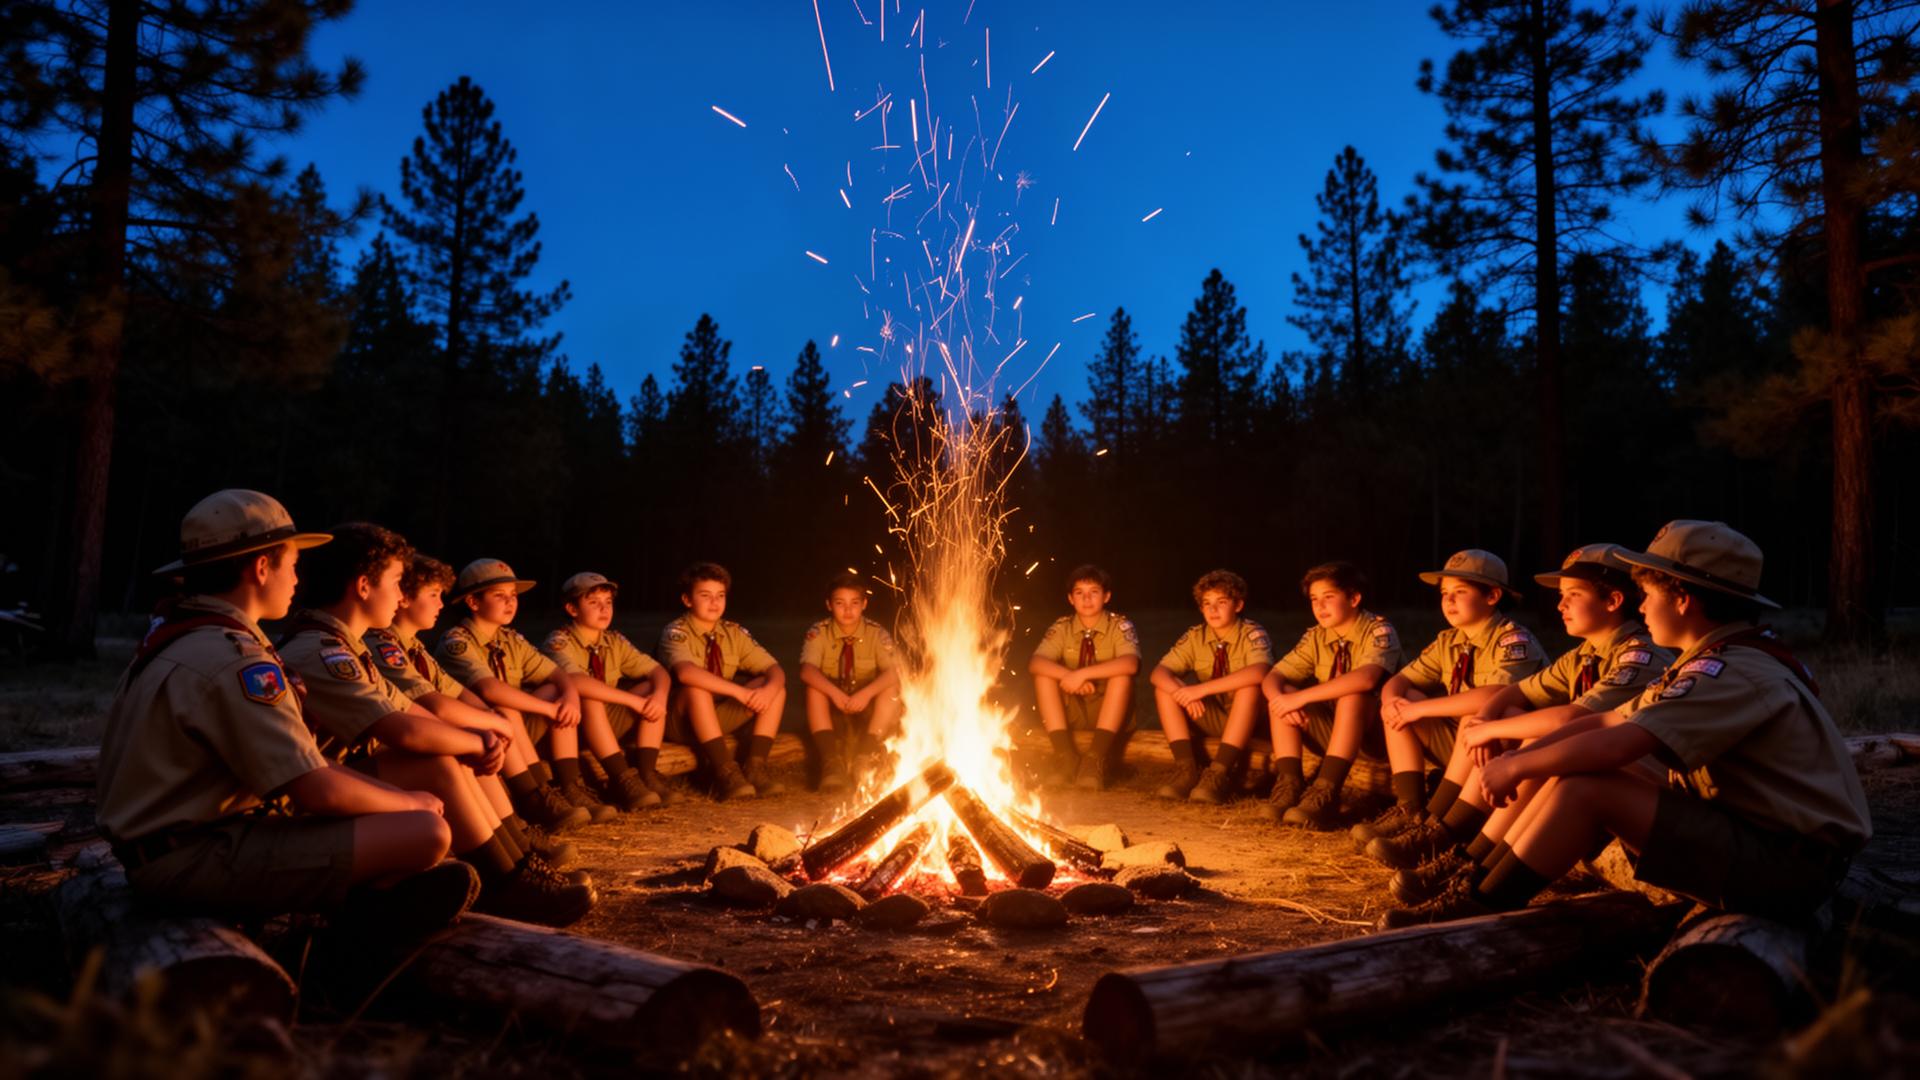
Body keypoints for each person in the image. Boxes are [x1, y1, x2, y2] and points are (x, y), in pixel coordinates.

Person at [1383, 521, 1870, 927]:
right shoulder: (1716, 659)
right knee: (1565, 764)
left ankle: (1478, 909)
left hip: (1787, 868)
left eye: (1647, 592)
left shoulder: (1733, 671)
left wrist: (1516, 766)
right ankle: (1471, 879)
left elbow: (1619, 743)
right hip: (1761, 839)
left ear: (1682, 598)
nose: (1640, 605)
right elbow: (1608, 720)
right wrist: (1522, 758)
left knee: (1585, 787)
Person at [94, 490, 477, 936]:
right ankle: (355, 943)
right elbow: (316, 791)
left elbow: (294, 768)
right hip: (192, 858)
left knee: (405, 817)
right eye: (292, 565)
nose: (297, 579)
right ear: (261, 568)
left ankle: (371, 903)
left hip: (175, 844)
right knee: (426, 833)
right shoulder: (236, 659)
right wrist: (411, 803)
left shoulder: (185, 637)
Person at [281, 524, 594, 926]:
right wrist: (474, 742)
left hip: (335, 777)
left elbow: (410, 713)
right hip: (314, 793)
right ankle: (507, 884)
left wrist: (474, 738)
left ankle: (518, 863)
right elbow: (404, 730)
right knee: (439, 761)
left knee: (451, 751)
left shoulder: (344, 646)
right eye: (396, 583)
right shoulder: (320, 651)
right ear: (363, 586)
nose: (400, 594)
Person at [1373, 545, 1671, 901]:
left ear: (1613, 600)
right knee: (1505, 721)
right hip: (1594, 770)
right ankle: (1462, 856)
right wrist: (1484, 718)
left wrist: (1489, 728)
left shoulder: (1642, 657)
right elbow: (1517, 692)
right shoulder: (1584, 654)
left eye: (1573, 595)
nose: (1560, 606)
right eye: (1561, 597)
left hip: (1635, 790)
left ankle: (1460, 853)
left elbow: (1575, 717)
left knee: (1536, 742)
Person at [366, 553, 592, 840]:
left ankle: (535, 803)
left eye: (513, 595)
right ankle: (523, 818)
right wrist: (494, 720)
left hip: (461, 730)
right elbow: (445, 701)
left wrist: (494, 717)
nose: (440, 603)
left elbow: (454, 690)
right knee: (491, 722)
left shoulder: (415, 647)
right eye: (434, 595)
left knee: (500, 715)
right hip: (398, 744)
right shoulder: (408, 645)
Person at [1353, 550, 1547, 850]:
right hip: (1462, 750)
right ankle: (1410, 807)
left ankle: (1438, 819)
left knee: (1477, 715)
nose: (1449, 601)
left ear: (1493, 595)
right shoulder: (1448, 641)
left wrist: (1417, 710)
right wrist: (1392, 701)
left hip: (1507, 754)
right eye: (1444, 593)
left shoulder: (1514, 641)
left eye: (1460, 592)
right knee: (1402, 699)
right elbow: (1400, 680)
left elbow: (1494, 694)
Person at [435, 559, 616, 825]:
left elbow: (557, 674)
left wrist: (568, 696)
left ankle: (569, 788)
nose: (510, 602)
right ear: (473, 602)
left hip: (515, 732)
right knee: (506, 707)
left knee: (556, 691)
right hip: (481, 734)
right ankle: (536, 796)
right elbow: (490, 689)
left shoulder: (510, 640)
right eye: (500, 596)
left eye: (513, 596)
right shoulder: (457, 643)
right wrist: (549, 709)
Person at [1260, 561, 1404, 828]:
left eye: (1328, 597)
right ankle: (1289, 784)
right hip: (1335, 730)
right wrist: (1284, 701)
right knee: (1281, 695)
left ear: (1354, 598)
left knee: (1353, 695)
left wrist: (1301, 698)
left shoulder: (1379, 630)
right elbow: (1272, 678)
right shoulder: (1316, 637)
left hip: (1379, 735)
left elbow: (1367, 677)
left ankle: (1325, 792)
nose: (1319, 606)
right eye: (1314, 599)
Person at [541, 572, 674, 809]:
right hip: (568, 726)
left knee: (650, 688)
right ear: (572, 609)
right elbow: (577, 683)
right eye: (594, 603)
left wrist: (660, 696)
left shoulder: (614, 642)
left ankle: (646, 773)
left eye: (608, 602)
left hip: (603, 725)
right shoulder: (559, 642)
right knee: (591, 697)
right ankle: (622, 779)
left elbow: (659, 672)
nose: (604, 609)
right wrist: (633, 702)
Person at [659, 562, 788, 800]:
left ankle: (755, 767)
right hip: (680, 721)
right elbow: (685, 673)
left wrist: (769, 689)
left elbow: (775, 669)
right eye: (705, 596)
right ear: (687, 600)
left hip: (717, 715)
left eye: (720, 596)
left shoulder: (733, 633)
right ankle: (725, 772)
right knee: (696, 690)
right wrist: (739, 692)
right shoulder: (676, 632)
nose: (714, 603)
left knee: (775, 689)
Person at [1148, 569, 1274, 802]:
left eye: (1221, 602)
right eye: (1207, 603)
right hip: (1213, 716)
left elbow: (1261, 671)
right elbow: (1158, 673)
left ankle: (1219, 773)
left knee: (1250, 687)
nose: (1213, 610)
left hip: (1251, 722)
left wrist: (1200, 690)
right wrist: (1181, 691)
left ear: (1237, 605)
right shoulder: (1196, 636)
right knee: (1165, 689)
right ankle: (1186, 770)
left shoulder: (1251, 633)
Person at [1027, 565, 1141, 791]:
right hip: (1074, 708)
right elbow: (1036, 663)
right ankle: (1065, 757)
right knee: (1043, 676)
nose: (1086, 599)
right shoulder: (1062, 628)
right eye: (1079, 593)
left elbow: (1131, 663)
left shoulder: (1119, 626)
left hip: (1108, 710)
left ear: (1106, 596)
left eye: (1094, 592)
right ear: (1071, 599)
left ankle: (1094, 760)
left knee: (1122, 676)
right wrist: (1069, 677)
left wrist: (1083, 674)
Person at [796, 572, 902, 792]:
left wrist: (865, 694)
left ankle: (866, 755)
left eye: (854, 603)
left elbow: (894, 671)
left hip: (866, 702)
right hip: (834, 703)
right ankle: (831, 764)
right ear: (829, 605)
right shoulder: (819, 632)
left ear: (864, 604)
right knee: (814, 689)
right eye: (840, 603)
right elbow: (807, 671)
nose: (848, 610)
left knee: (892, 687)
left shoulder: (876, 634)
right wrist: (835, 694)